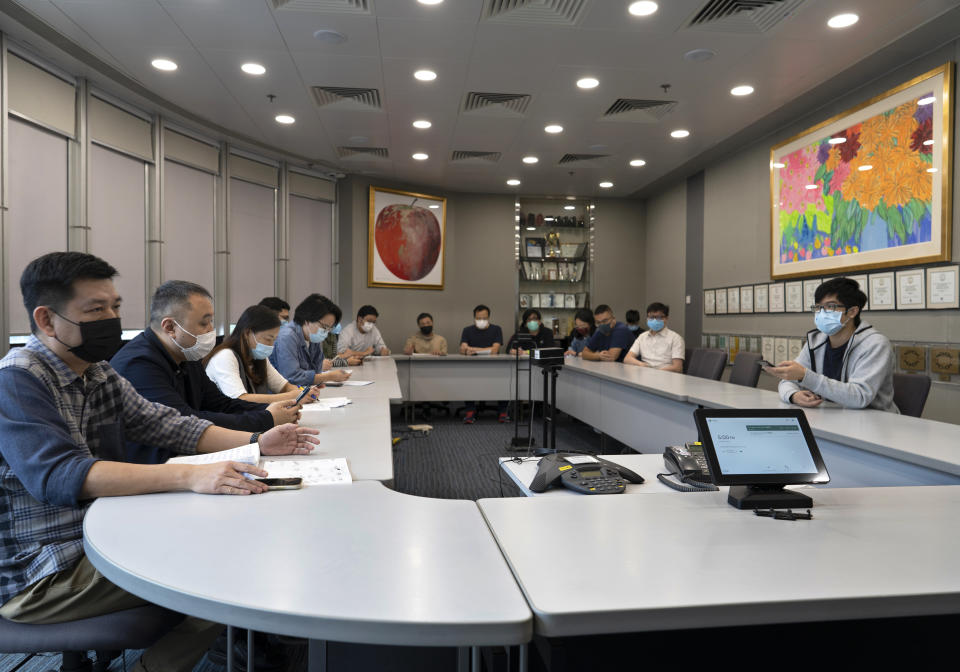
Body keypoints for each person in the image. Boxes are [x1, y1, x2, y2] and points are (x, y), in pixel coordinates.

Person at [0, 252, 319, 672]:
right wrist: (190, 475)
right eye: (96, 309)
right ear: (46, 321)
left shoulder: (97, 372)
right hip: (44, 572)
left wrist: (259, 440)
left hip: (103, 534)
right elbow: (60, 476)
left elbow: (169, 425)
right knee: (229, 565)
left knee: (226, 544)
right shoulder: (19, 378)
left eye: (115, 307)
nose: (111, 318)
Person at [111, 281, 301, 464]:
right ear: (170, 327)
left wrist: (273, 411)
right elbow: (183, 421)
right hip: (153, 468)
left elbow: (220, 404)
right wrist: (266, 419)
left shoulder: (186, 355)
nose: (211, 330)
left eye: (211, 321)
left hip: (184, 459)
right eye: (204, 323)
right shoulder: (138, 364)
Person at [767, 277, 897, 411]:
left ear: (852, 311)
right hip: (829, 417)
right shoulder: (816, 340)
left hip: (873, 421)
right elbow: (788, 381)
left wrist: (805, 376)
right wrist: (794, 395)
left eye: (831, 306)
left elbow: (860, 397)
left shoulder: (875, 344)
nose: (822, 313)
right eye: (818, 307)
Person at [205, 304, 322, 403]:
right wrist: (294, 396)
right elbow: (240, 399)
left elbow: (284, 386)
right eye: (268, 339)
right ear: (247, 333)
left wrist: (303, 391)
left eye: (274, 340)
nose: (271, 345)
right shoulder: (225, 356)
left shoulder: (258, 356)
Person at [269, 293, 352, 387]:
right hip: (279, 396)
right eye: (324, 327)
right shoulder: (287, 337)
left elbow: (316, 369)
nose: (326, 332)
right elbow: (292, 377)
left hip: (301, 392)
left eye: (329, 328)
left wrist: (316, 381)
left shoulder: (312, 337)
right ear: (307, 320)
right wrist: (328, 377)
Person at [459, 304, 508, 423]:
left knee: (505, 380)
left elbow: (495, 350)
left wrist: (473, 349)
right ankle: (470, 411)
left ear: (489, 317)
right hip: (472, 368)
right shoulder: (467, 330)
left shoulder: (496, 329)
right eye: (478, 318)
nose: (481, 321)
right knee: (466, 380)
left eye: (484, 318)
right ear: (474, 318)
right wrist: (467, 349)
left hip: (494, 367)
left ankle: (503, 412)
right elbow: (462, 349)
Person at [623, 302, 685, 372]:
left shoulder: (676, 338)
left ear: (666, 318)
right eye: (651, 317)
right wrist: (641, 365)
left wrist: (655, 372)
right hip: (645, 374)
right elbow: (627, 359)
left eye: (659, 317)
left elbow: (677, 368)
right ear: (647, 318)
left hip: (666, 376)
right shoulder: (642, 337)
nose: (655, 320)